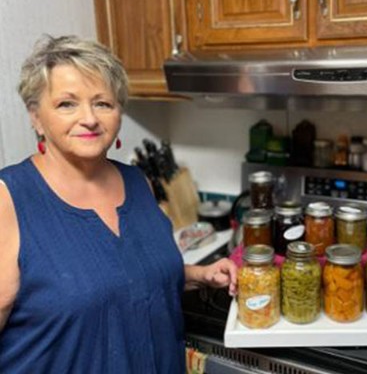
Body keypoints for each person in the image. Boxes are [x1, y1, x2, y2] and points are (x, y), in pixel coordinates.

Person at [0, 35, 237, 373]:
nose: (90, 118)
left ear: (119, 113)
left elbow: (126, 278)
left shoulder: (137, 182)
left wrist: (200, 274)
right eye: (67, 104)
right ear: (36, 116)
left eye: (103, 103)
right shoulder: (10, 199)